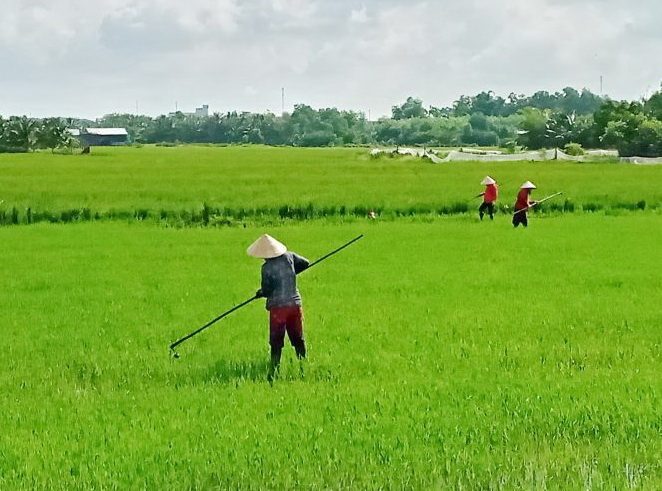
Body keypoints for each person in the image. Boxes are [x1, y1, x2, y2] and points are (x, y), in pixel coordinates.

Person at [247, 234, 310, 382]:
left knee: (276, 341)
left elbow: (267, 290)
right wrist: (291, 273)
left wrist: (260, 293)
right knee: (298, 338)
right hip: (295, 305)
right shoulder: (290, 257)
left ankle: (274, 370)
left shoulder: (267, 268)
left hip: (278, 309)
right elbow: (305, 263)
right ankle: (304, 364)